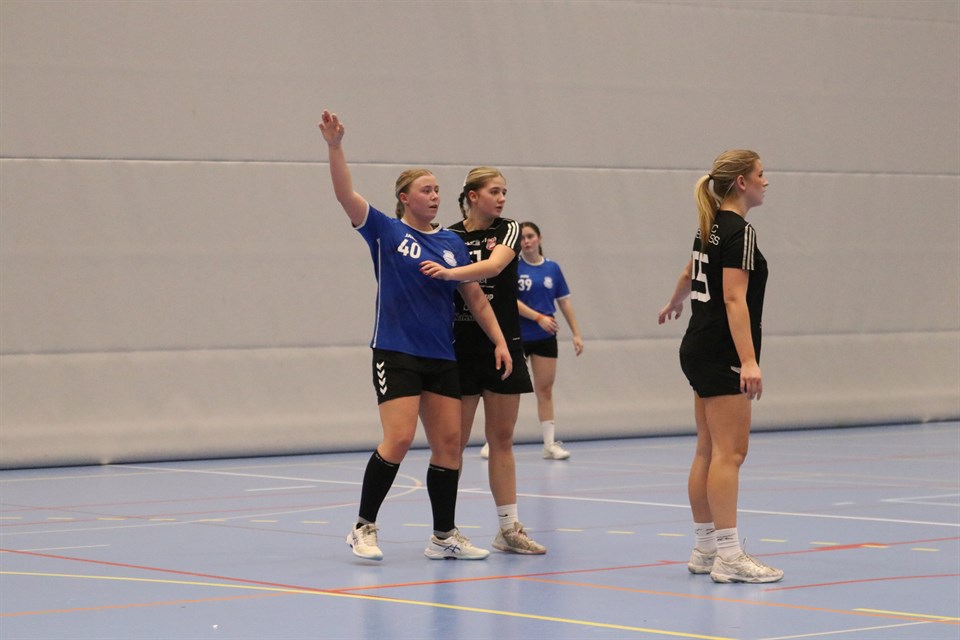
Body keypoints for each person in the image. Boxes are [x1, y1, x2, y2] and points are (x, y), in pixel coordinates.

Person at [319, 110, 512, 562]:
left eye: (438, 190)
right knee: (400, 438)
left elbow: (476, 298)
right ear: (404, 198)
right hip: (395, 350)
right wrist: (335, 147)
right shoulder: (385, 231)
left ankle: (443, 535)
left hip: (440, 355)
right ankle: (363, 527)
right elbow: (345, 195)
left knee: (449, 447)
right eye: (426, 190)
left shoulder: (451, 244)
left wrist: (501, 340)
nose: (435, 196)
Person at [658, 149, 783, 584]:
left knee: (708, 450)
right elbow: (733, 298)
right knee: (730, 453)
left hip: (698, 346)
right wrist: (748, 360)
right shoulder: (739, 231)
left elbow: (691, 270)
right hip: (721, 351)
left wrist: (675, 300)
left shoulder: (709, 226)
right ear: (742, 183)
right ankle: (729, 555)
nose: (766, 181)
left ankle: (706, 549)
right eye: (761, 174)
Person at [419, 167, 546, 555]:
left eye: (504, 192)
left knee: (502, 439)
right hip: (459, 349)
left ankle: (508, 529)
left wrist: (450, 272)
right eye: (494, 191)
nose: (502, 198)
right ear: (473, 196)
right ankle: (445, 532)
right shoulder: (449, 236)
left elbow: (493, 267)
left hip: (502, 345)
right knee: (452, 444)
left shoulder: (508, 229)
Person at [479, 221, 583, 460]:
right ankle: (492, 441)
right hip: (517, 336)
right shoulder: (513, 266)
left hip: (545, 337)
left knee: (545, 389)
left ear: (539, 238)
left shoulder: (552, 268)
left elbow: (564, 301)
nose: (526, 241)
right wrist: (538, 317)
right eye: (522, 238)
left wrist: (576, 333)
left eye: (530, 236)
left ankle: (549, 444)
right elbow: (509, 300)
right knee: (504, 389)